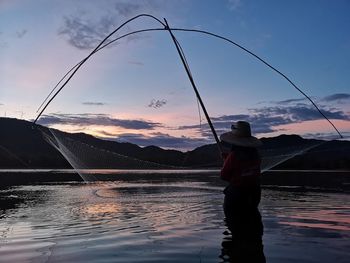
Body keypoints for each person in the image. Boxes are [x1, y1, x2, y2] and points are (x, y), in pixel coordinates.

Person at [220, 121, 263, 240]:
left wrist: (227, 161)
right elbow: (247, 170)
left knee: (236, 229)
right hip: (254, 194)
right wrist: (227, 159)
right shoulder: (256, 155)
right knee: (253, 228)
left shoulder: (233, 156)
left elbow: (224, 176)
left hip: (236, 196)